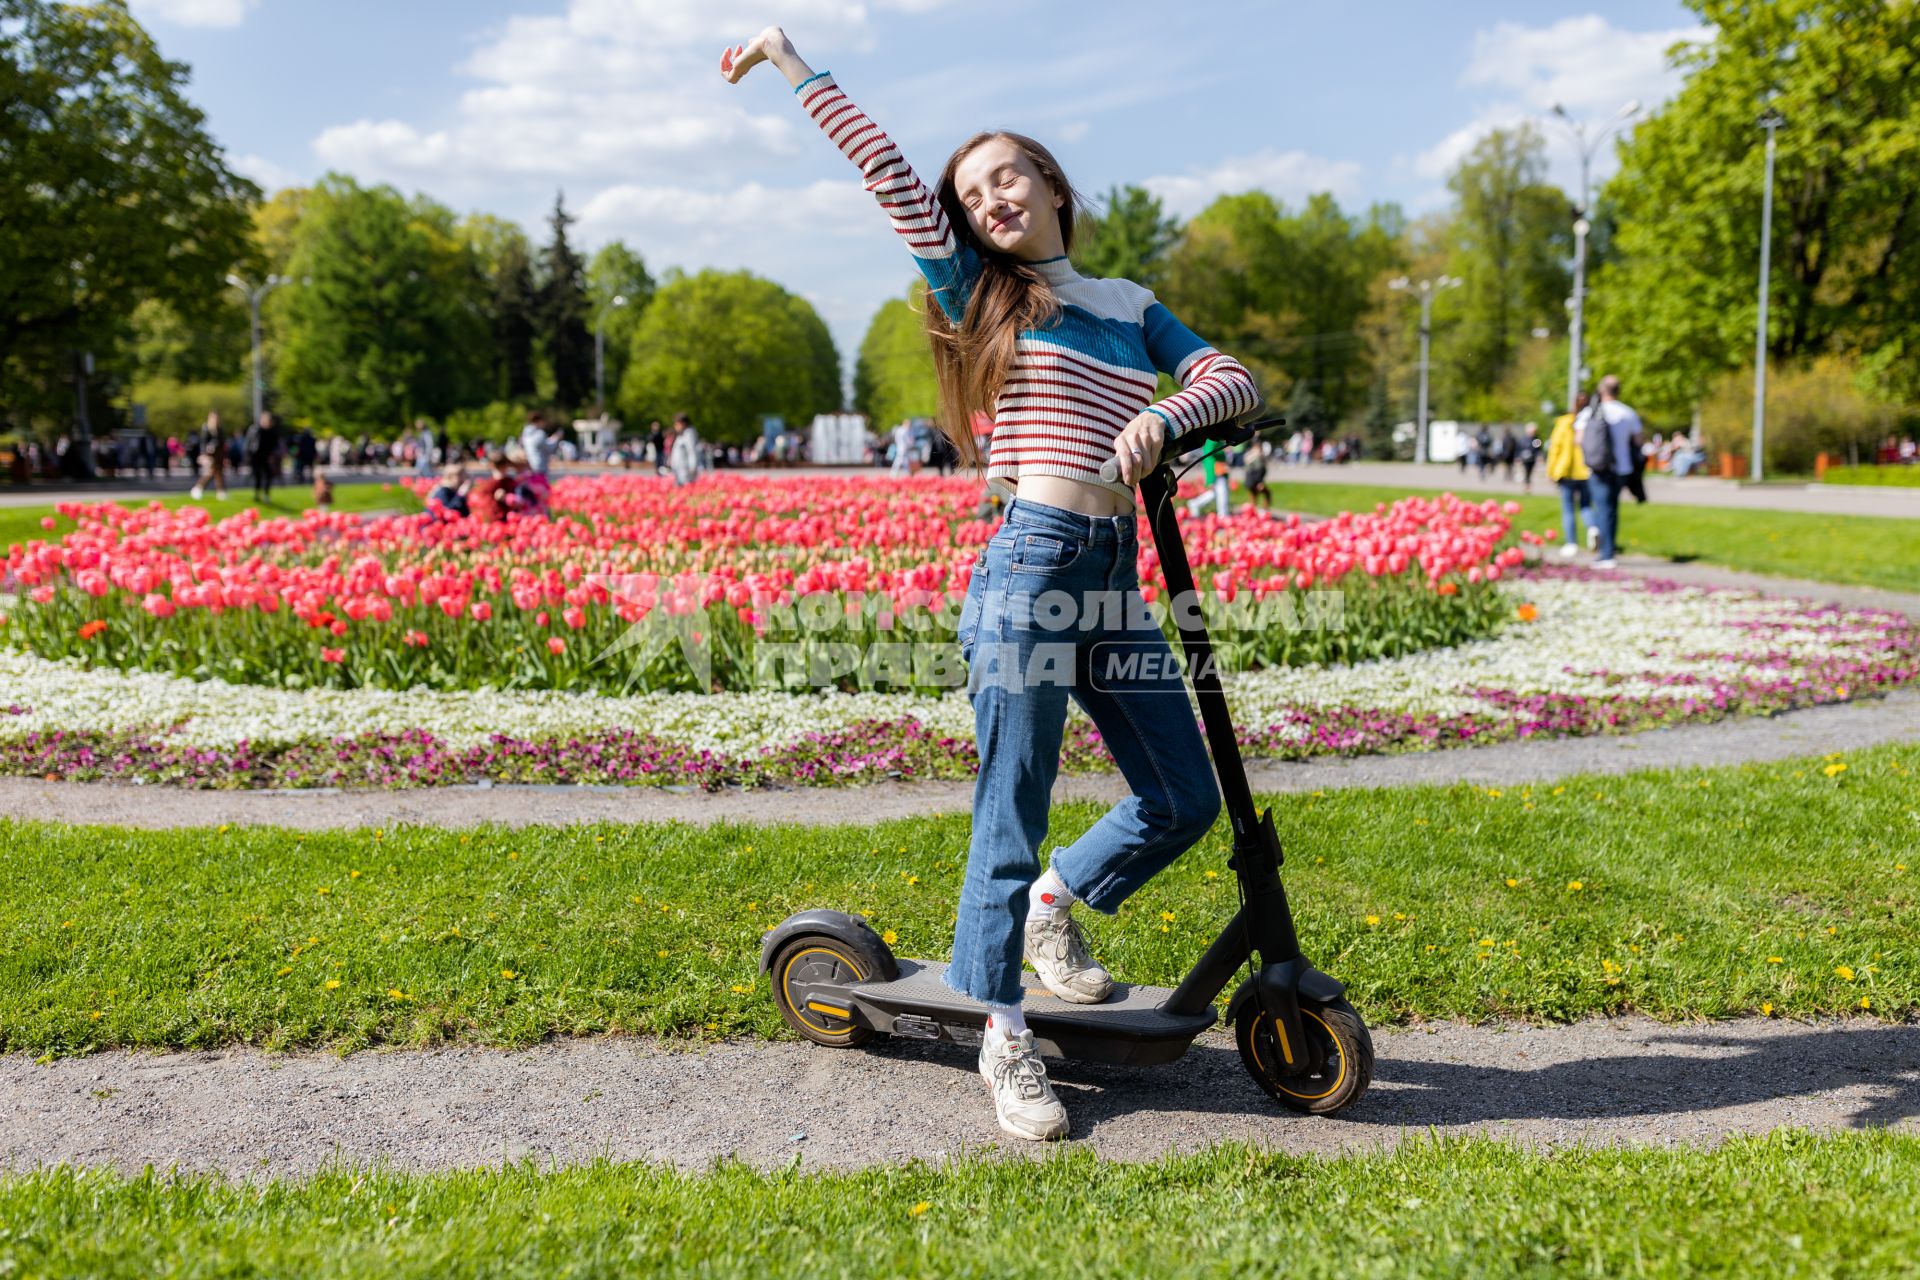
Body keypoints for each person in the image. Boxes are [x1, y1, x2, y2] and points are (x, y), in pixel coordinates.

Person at [726, 26, 1255, 1142]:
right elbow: (889, 177)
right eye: (972, 191)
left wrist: (1164, 413)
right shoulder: (982, 291)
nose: (990, 197)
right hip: (1027, 565)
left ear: (1052, 184)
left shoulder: (1125, 301)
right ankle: (1003, 1030)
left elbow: (1230, 377)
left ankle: (1058, 908)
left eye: (1007, 173)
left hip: (1113, 573)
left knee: (1187, 797)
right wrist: (792, 64)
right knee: (1010, 805)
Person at [1577, 374, 1644, 569]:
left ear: (1601, 390)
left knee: (1602, 508)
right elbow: (1639, 440)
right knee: (1612, 509)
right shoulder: (1627, 413)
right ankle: (1608, 547)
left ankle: (1605, 552)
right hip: (1621, 468)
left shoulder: (1591, 412)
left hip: (1598, 468)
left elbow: (1579, 440)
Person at [1546, 393, 1594, 559]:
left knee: (1568, 508)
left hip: (1567, 471)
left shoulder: (1564, 422)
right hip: (1586, 470)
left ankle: (1571, 542)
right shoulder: (1591, 422)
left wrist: (1551, 470)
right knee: (1586, 505)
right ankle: (1593, 527)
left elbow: (1555, 448)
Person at [246, 410, 283, 503]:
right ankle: (257, 494)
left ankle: (266, 494)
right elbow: (249, 443)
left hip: (267, 456)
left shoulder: (273, 431)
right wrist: (248, 456)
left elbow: (275, 445)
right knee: (257, 475)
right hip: (256, 456)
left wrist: (272, 455)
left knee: (268, 475)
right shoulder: (255, 429)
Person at [189, 410, 227, 501]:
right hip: (210, 454)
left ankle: (220, 491)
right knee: (212, 472)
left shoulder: (219, 429)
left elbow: (222, 442)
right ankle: (199, 488)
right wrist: (204, 454)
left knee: (218, 472)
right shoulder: (206, 428)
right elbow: (203, 442)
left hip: (219, 454)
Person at [669, 412, 702, 487]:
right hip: (679, 467)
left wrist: (693, 466)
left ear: (683, 423)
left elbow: (692, 451)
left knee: (686, 487)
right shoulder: (681, 434)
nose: (675, 426)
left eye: (677, 424)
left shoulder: (689, 434)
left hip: (686, 468)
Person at [519, 411, 555, 479]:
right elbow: (549, 448)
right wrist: (555, 439)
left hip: (529, 464)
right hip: (540, 464)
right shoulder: (539, 433)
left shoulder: (525, 433)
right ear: (539, 421)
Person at [1243, 438, 1272, 511]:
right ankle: (1262, 510)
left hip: (1252, 480)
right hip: (1254, 480)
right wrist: (1260, 482)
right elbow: (1258, 470)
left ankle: (1255, 511)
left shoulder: (1256, 455)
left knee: (1254, 496)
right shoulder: (1255, 456)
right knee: (1264, 494)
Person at [1518, 421, 1543, 493]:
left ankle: (1528, 486)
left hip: (1532, 459)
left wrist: (1539, 456)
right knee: (1526, 472)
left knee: (1529, 472)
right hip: (1524, 459)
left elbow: (1538, 449)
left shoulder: (1536, 440)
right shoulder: (1523, 439)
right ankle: (1526, 486)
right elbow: (1519, 448)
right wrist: (1518, 457)